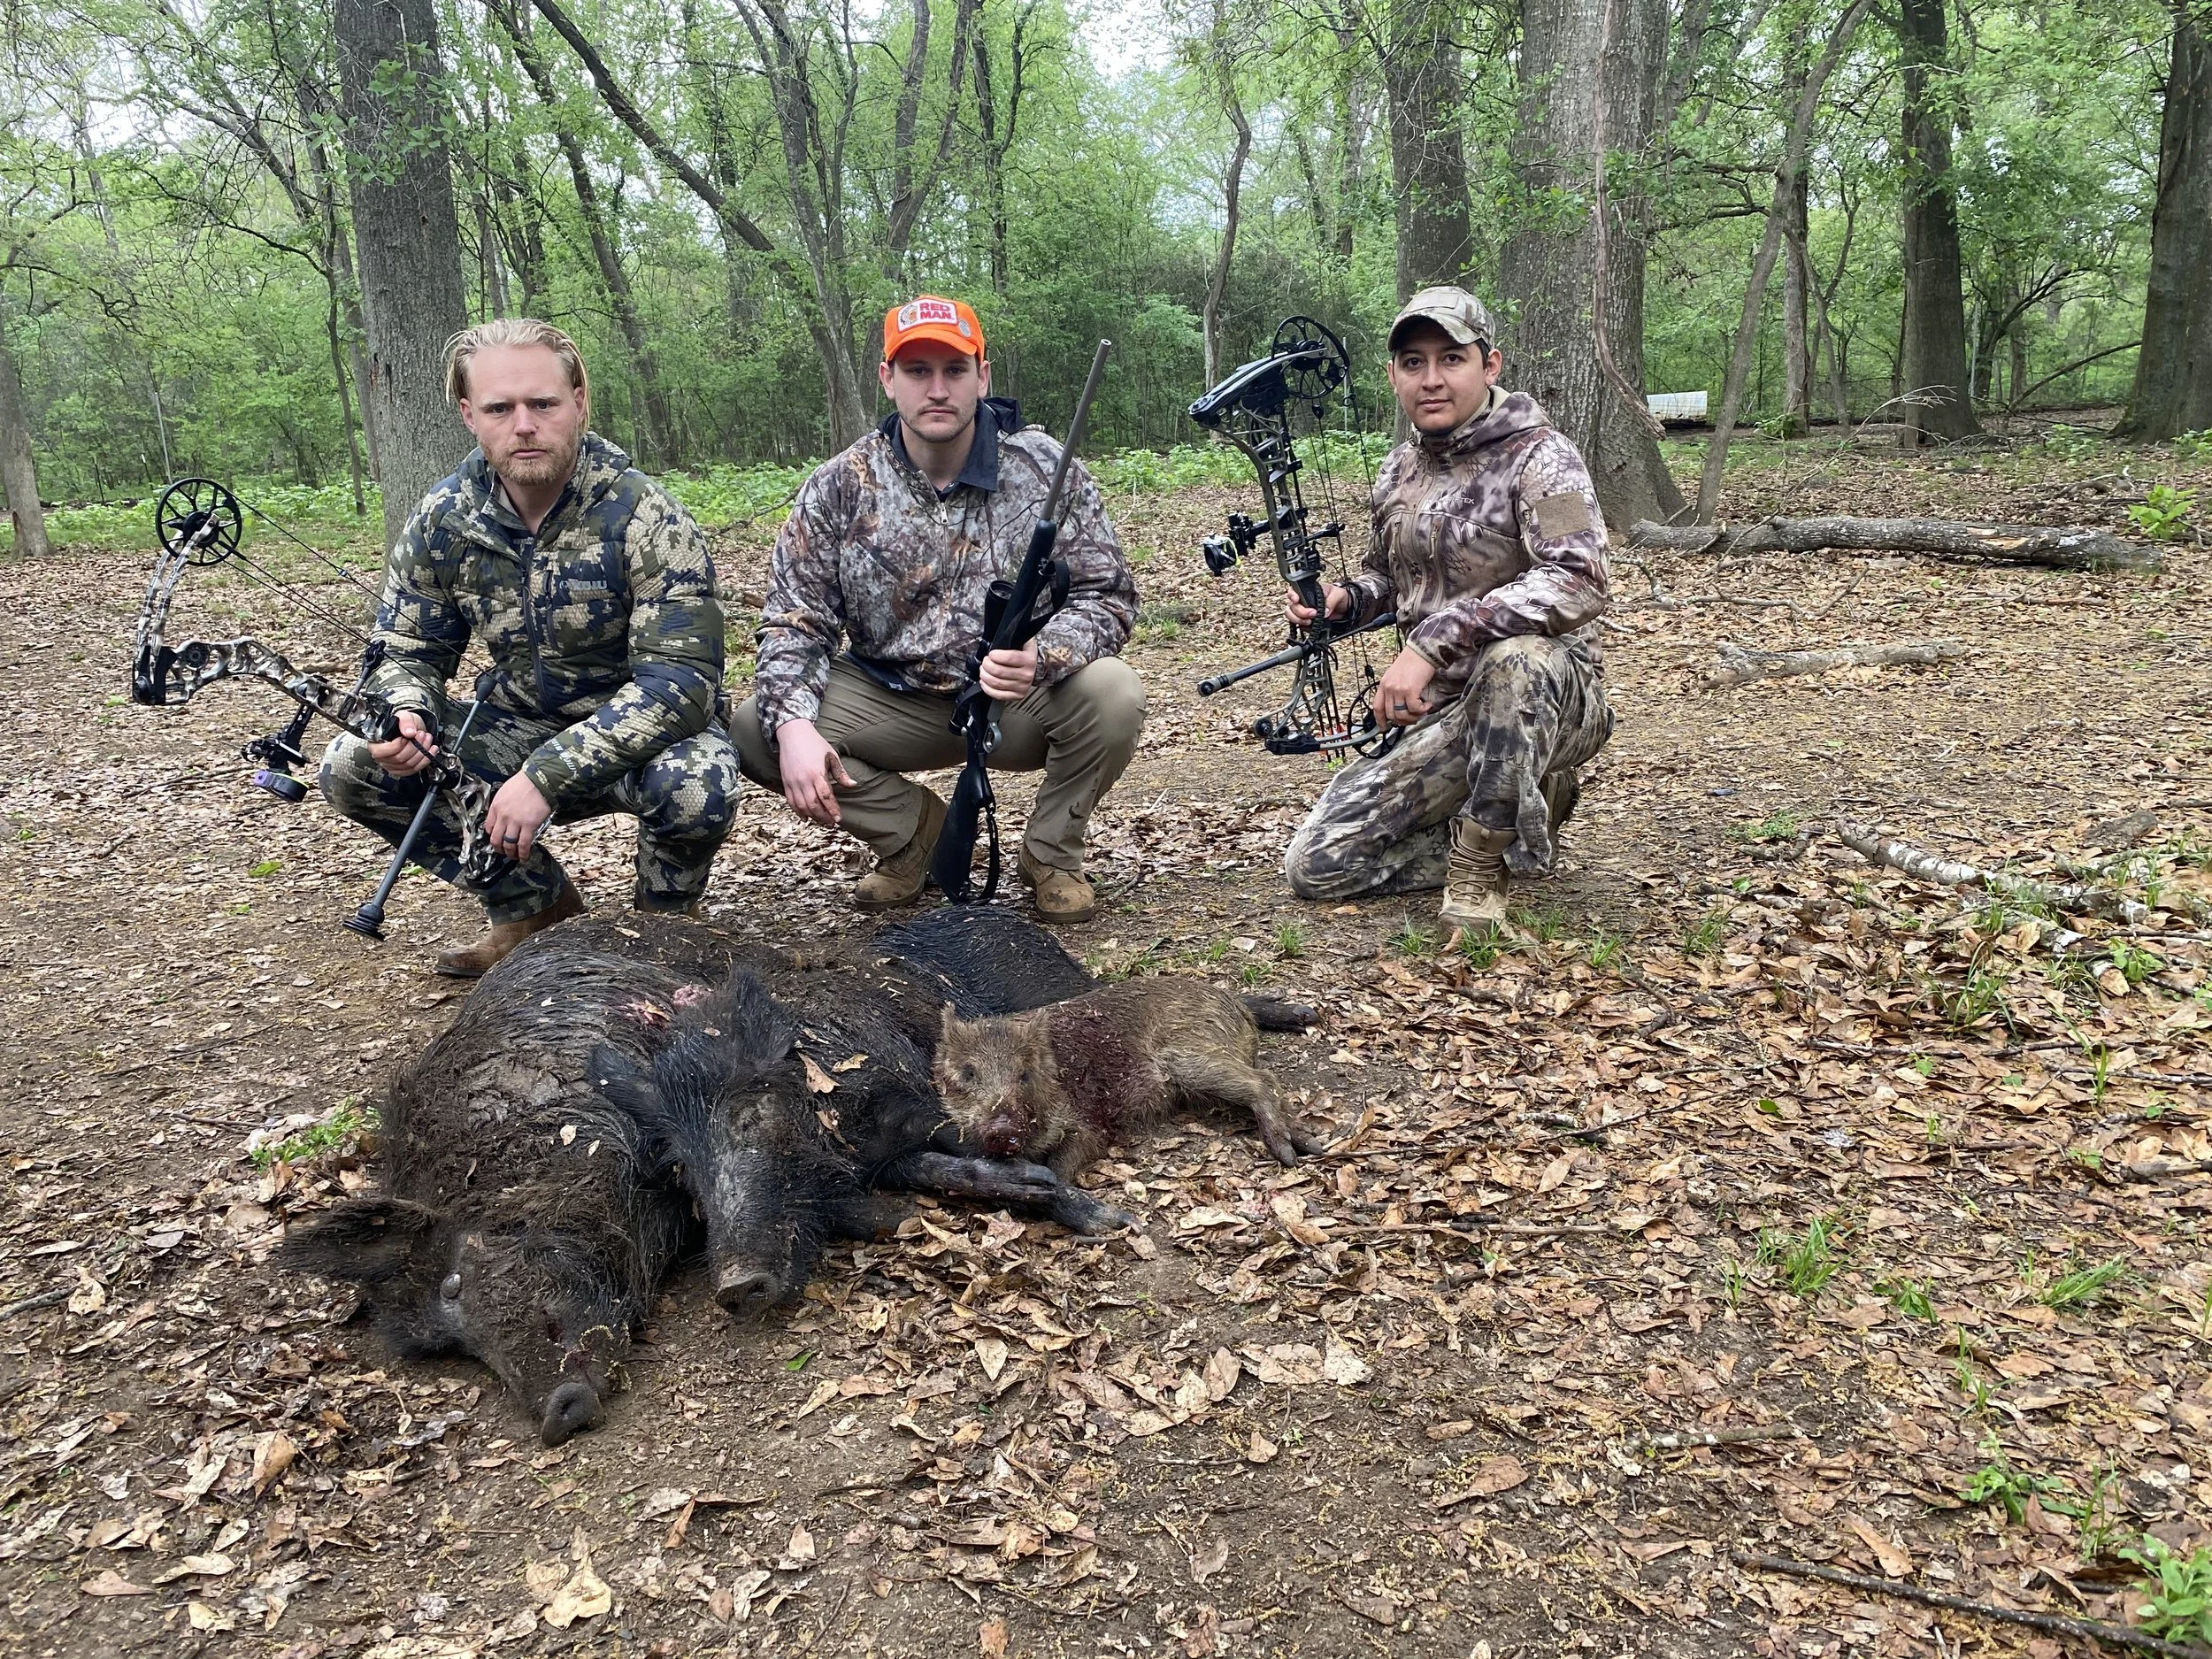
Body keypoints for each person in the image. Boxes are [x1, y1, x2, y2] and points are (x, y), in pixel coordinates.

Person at [320, 318, 735, 977]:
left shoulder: (645, 514)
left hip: (643, 735)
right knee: (352, 763)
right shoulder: (444, 519)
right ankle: (534, 910)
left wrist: (547, 775)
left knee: (697, 784)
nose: (524, 425)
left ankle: (663, 937)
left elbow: (682, 685)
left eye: (542, 403)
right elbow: (405, 647)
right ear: (468, 414)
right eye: (499, 408)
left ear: (578, 401)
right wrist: (407, 712)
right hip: (515, 722)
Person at [733, 295, 1142, 924]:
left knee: (1114, 692)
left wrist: (1042, 656)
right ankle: (912, 833)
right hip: (890, 697)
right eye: (918, 370)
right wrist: (793, 728)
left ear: (983, 376)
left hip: (1012, 700)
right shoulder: (840, 483)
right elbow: (795, 621)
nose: (937, 389)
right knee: (756, 726)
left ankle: (1051, 852)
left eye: (954, 370)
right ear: (887, 379)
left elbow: (1108, 595)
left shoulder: (1045, 470)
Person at [1281, 285, 1614, 928]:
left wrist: (1432, 643)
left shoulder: (1545, 457)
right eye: (1413, 363)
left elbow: (1580, 577)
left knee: (1515, 663)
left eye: (1451, 359)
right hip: (1444, 713)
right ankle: (1524, 801)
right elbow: (1390, 578)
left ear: (1490, 365)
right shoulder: (1399, 469)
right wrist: (1346, 600)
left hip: (1552, 697)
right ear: (1394, 376)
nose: (1431, 379)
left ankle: (1482, 861)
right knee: (1318, 867)